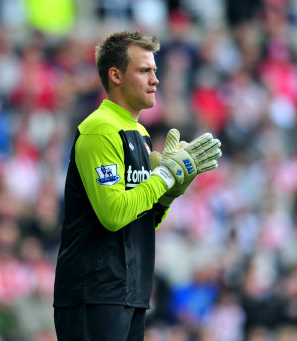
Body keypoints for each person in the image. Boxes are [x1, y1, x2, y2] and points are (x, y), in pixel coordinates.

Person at [53, 31, 222, 341]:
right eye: (145, 70)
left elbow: (140, 221)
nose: (155, 80)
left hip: (130, 291)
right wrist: (164, 176)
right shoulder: (100, 130)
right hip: (93, 292)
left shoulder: (140, 133)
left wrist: (168, 195)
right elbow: (113, 214)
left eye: (155, 71)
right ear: (115, 75)